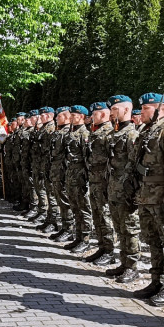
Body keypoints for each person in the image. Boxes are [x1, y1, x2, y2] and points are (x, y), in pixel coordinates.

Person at [129, 93, 164, 305]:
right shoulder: (147, 132)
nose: (141, 112)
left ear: (159, 109)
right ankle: (156, 281)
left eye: (146, 108)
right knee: (152, 240)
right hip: (146, 196)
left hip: (161, 197)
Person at [105, 95, 141, 283]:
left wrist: (133, 191)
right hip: (114, 187)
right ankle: (124, 262)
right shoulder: (115, 133)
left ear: (127, 110)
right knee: (119, 227)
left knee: (130, 228)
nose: (111, 113)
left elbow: (135, 165)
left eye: (114, 109)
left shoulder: (132, 134)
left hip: (126, 189)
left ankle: (132, 267)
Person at [85, 102, 116, 265]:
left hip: (104, 181)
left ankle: (110, 251)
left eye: (94, 114)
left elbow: (113, 160)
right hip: (94, 180)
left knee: (105, 216)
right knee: (97, 215)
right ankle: (102, 247)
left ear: (103, 114)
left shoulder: (109, 133)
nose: (91, 117)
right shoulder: (95, 132)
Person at [63, 106, 93, 253]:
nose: (70, 117)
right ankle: (78, 236)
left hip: (80, 175)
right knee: (75, 207)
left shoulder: (84, 133)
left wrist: (86, 178)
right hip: (71, 174)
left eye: (73, 115)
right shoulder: (71, 132)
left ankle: (85, 239)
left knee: (83, 208)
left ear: (81, 116)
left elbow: (87, 157)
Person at [48, 107, 73, 241]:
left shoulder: (69, 133)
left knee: (65, 201)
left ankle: (69, 229)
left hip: (64, 172)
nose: (56, 118)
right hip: (56, 171)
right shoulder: (59, 132)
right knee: (60, 200)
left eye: (59, 116)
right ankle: (64, 227)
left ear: (67, 117)